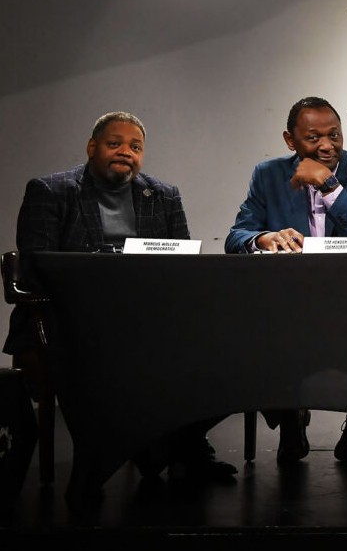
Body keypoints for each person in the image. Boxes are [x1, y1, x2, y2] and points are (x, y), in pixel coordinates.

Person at [5, 111, 237, 485]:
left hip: (147, 317)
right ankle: (124, 456)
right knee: (127, 362)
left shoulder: (163, 195)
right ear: (92, 147)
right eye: (115, 144)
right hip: (69, 320)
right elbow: (36, 268)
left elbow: (184, 267)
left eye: (135, 147)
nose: (126, 151)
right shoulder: (51, 191)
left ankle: (174, 446)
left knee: (224, 356)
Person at [225, 96, 347, 466]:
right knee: (257, 331)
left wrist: (330, 186)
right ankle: (290, 418)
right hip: (291, 303)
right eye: (314, 138)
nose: (327, 145)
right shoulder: (268, 174)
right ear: (291, 141)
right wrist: (264, 238)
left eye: (335, 135)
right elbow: (236, 237)